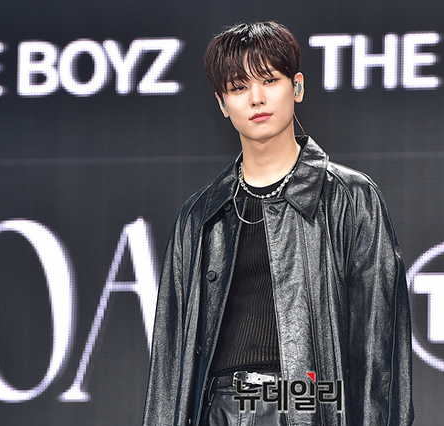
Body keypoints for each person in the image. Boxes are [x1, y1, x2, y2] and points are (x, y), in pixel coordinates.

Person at [142, 21, 413, 426]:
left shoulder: (349, 198)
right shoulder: (201, 216)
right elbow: (169, 362)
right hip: (218, 408)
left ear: (297, 87)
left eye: (269, 80)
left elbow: (380, 345)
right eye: (238, 87)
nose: (256, 98)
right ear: (222, 103)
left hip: (307, 403)